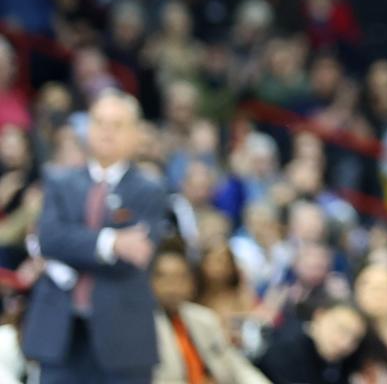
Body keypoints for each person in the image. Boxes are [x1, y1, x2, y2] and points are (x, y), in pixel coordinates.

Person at [21, 90, 168, 383]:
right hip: (61, 331)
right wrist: (110, 243)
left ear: (136, 134)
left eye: (118, 125)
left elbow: (135, 257)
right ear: (87, 128)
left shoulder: (151, 189)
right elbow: (49, 239)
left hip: (123, 337)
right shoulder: (59, 181)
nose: (107, 132)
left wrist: (71, 247)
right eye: (99, 122)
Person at [151, 244, 269, 384]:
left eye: (180, 277)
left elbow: (237, 366)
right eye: (165, 278)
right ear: (152, 282)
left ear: (191, 282)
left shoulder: (204, 318)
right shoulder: (142, 326)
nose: (173, 286)